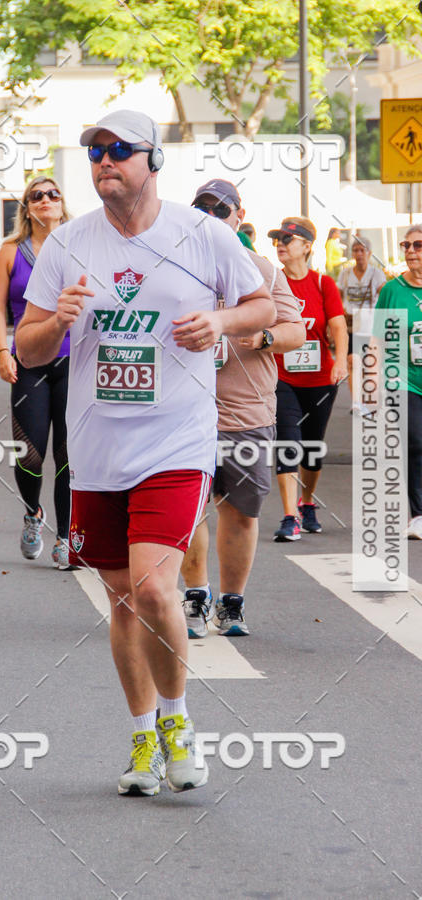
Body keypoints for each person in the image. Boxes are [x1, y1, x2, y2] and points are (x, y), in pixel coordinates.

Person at [16, 111, 274, 797]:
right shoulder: (68, 243)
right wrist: (57, 322)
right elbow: (27, 348)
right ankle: (140, 738)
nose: (104, 160)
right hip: (98, 448)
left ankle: (177, 723)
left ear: (153, 160)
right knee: (123, 600)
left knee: (155, 588)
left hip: (175, 442)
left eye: (119, 150)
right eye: (94, 151)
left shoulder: (204, 235)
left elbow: (262, 308)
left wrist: (219, 320)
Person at [181, 180, 305, 638]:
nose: (212, 216)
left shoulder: (262, 272)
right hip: (183, 414)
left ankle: (231, 604)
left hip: (246, 414)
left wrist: (264, 337)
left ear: (239, 216)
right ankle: (196, 596)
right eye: (202, 208)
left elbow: (295, 332)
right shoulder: (175, 266)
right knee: (188, 509)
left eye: (221, 209)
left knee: (241, 512)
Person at [0, 176, 74, 568]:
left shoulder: (78, 246)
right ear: (26, 207)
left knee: (69, 454)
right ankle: (32, 513)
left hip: (73, 359)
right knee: (30, 452)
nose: (45, 200)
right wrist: (1, 352)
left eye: (52, 194)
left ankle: (66, 536)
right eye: (36, 195)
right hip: (28, 361)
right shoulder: (11, 251)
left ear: (62, 203)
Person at [268, 217, 348, 541]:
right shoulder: (272, 283)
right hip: (282, 377)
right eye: (277, 239)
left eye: (288, 239)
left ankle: (307, 502)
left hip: (320, 380)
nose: (280, 245)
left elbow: (338, 326)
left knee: (312, 447)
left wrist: (340, 361)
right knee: (288, 441)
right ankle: (290, 516)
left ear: (307, 246)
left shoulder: (322, 284)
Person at [374, 226, 422, 539]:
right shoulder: (392, 291)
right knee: (416, 441)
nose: (410, 251)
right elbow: (378, 338)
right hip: (403, 380)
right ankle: (418, 515)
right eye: (406, 245)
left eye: (418, 245)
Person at [337, 235, 386, 413]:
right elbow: (337, 297)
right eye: (355, 250)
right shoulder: (345, 274)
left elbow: (385, 297)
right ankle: (357, 403)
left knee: (371, 365)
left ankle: (371, 400)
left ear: (369, 253)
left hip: (371, 325)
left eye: (362, 250)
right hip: (352, 326)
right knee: (353, 361)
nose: (359, 254)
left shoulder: (376, 274)